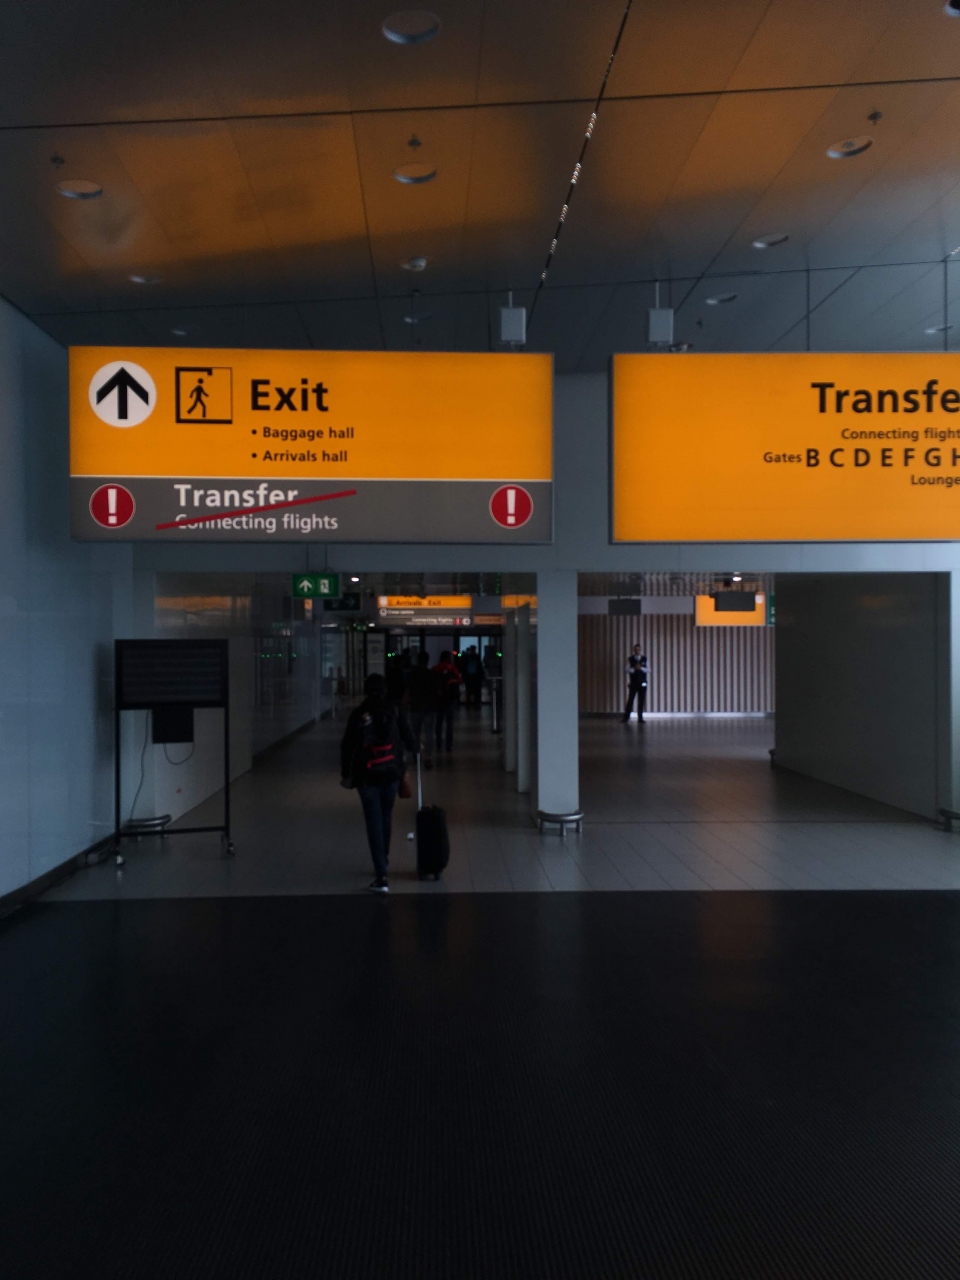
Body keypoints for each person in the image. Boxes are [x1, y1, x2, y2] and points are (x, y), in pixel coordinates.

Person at [340, 673, 417, 892]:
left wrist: (346, 774)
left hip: (366, 776)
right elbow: (409, 739)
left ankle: (381, 872)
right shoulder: (394, 710)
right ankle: (384, 858)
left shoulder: (358, 714)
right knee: (386, 816)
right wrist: (415, 749)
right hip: (391, 773)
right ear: (384, 690)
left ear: (366, 690)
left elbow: (347, 745)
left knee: (373, 820)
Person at [405, 649, 440, 769]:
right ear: (427, 661)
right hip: (429, 707)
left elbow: (408, 691)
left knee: (415, 732)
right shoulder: (432, 674)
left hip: (415, 707)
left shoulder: (412, 674)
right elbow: (438, 692)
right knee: (429, 732)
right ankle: (427, 756)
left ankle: (416, 755)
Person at [433, 650, 462, 754]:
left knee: (439, 721)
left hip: (439, 698)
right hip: (450, 698)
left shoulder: (436, 669)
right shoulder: (452, 668)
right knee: (449, 722)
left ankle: (438, 742)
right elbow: (459, 680)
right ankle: (449, 745)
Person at [621, 644, 648, 722]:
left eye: (638, 649)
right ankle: (626, 717)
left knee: (641, 700)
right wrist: (634, 668)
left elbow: (648, 670)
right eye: (636, 650)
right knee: (630, 700)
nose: (637, 651)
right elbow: (626, 670)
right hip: (633, 683)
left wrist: (641, 668)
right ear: (634, 650)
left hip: (642, 683)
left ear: (640, 650)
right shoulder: (630, 659)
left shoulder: (644, 658)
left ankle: (640, 718)